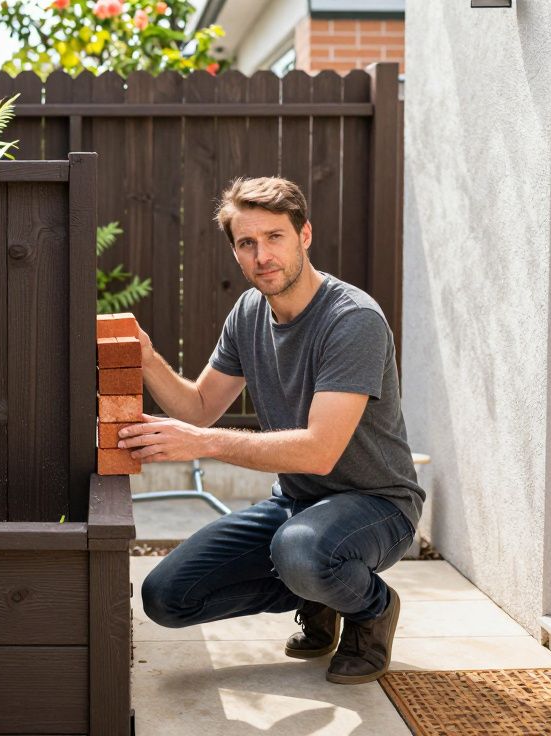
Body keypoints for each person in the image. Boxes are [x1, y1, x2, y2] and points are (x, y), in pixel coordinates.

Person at [119, 176, 424, 685]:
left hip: (378, 505)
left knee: (301, 550)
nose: (262, 255)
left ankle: (370, 609)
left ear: (304, 235)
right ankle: (320, 591)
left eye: (274, 237)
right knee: (166, 596)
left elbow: (320, 451)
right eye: (247, 243)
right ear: (236, 253)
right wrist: (148, 360)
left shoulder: (352, 320)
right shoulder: (248, 312)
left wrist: (206, 445)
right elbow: (198, 408)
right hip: (298, 505)